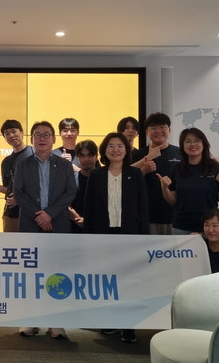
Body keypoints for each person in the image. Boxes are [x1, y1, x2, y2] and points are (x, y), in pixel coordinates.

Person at [13, 121, 76, 339]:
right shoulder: (23, 165)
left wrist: (50, 213)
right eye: (38, 135)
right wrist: (39, 215)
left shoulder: (64, 165)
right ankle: (29, 320)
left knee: (56, 273)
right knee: (31, 274)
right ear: (32, 139)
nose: (42, 138)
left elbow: (70, 193)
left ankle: (56, 322)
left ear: (53, 139)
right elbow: (18, 193)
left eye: (46, 134)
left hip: (58, 224)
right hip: (30, 225)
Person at [83, 132, 148, 343]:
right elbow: (89, 208)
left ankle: (128, 326)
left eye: (120, 145)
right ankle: (110, 321)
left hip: (129, 235)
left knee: (129, 281)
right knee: (107, 281)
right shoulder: (96, 175)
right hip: (103, 236)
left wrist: (143, 238)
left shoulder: (135, 174)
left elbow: (143, 208)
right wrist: (89, 239)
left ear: (126, 150)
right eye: (111, 146)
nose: (115, 149)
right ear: (105, 150)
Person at [158, 127, 219, 234]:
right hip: (182, 225)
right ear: (183, 146)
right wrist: (164, 188)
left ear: (204, 144)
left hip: (209, 226)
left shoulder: (217, 167)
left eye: (197, 141)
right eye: (188, 141)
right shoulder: (176, 168)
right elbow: (173, 201)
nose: (192, 144)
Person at [131, 112, 181, 235]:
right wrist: (143, 170)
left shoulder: (180, 153)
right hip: (146, 217)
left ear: (169, 130)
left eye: (163, 127)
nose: (158, 131)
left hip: (174, 218)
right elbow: (128, 182)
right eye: (153, 128)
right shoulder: (137, 155)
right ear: (147, 132)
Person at [69, 140, 99, 233]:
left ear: (96, 156)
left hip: (100, 229)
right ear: (77, 158)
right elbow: (65, 205)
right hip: (75, 230)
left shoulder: (105, 179)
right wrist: (78, 219)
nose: (86, 159)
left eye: (90, 155)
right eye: (81, 155)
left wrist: (90, 221)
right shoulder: (71, 179)